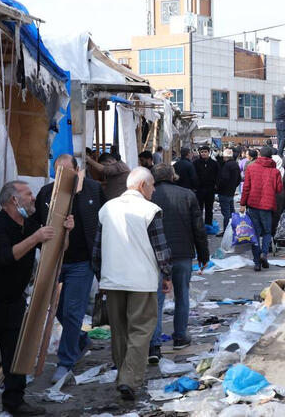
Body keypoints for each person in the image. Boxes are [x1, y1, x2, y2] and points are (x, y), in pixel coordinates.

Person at [0, 181, 73, 416]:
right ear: (14, 200)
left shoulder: (28, 224)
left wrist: (65, 232)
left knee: (15, 358)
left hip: (13, 302)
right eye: (28, 193)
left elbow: (57, 249)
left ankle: (15, 402)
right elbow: (4, 257)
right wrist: (35, 238)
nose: (33, 197)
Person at [93, 167, 172, 401]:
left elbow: (96, 248)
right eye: (152, 185)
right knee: (141, 330)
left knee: (120, 331)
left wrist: (101, 276)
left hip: (112, 280)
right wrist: (166, 275)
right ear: (142, 186)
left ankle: (123, 376)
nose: (154, 189)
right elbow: (160, 248)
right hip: (141, 281)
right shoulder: (150, 210)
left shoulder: (107, 208)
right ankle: (129, 379)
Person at [35, 155, 104, 384]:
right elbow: (38, 224)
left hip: (82, 262)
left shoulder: (92, 190)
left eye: (67, 171)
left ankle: (65, 362)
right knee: (58, 310)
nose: (62, 176)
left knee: (73, 311)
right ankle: (81, 339)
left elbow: (103, 221)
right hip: (55, 261)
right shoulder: (46, 193)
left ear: (77, 170)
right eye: (58, 171)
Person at [148, 164, 208, 362]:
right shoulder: (187, 194)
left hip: (156, 255)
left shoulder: (149, 196)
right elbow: (198, 227)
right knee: (182, 294)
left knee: (157, 299)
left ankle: (154, 344)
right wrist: (203, 254)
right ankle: (180, 336)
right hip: (182, 252)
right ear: (173, 176)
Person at [239, 146, 283, 272]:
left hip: (252, 205)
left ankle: (257, 262)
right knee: (268, 232)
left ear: (259, 155)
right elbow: (279, 189)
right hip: (267, 206)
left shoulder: (251, 168)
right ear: (271, 157)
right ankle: (264, 254)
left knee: (255, 234)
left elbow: (246, 187)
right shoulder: (275, 171)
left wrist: (242, 204)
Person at [217, 148, 242, 236]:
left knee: (226, 213)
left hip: (224, 192)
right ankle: (233, 229)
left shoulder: (227, 166)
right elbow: (239, 179)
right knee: (232, 211)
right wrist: (234, 186)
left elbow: (224, 179)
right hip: (231, 191)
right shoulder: (235, 164)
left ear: (225, 157)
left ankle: (226, 231)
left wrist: (218, 188)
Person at [192, 145, 220, 226]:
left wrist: (216, 185)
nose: (203, 153)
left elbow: (218, 175)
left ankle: (208, 224)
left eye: (205, 152)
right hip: (199, 190)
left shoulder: (214, 164)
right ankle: (198, 225)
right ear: (199, 153)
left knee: (209, 208)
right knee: (198, 209)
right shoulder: (195, 163)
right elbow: (193, 176)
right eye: (202, 152)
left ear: (209, 152)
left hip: (210, 189)